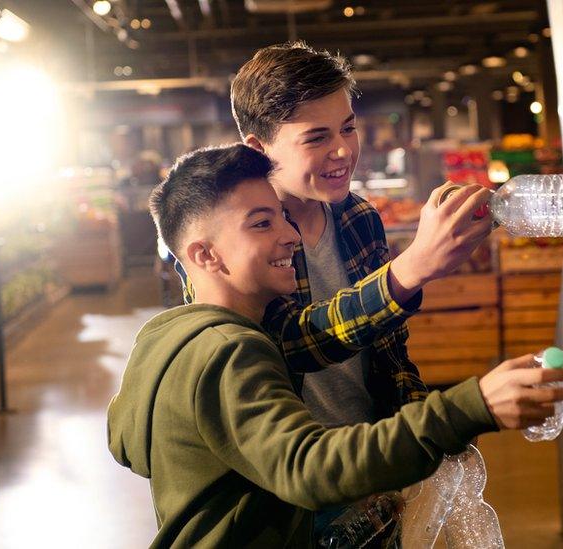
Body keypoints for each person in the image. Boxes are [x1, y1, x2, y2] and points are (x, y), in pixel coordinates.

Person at [108, 144, 563, 548]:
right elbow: (307, 468)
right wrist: (471, 406)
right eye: (261, 224)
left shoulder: (162, 336)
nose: (289, 236)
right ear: (204, 255)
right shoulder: (229, 351)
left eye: (281, 218)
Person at [175, 41, 496, 539]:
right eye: (316, 137)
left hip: (375, 469)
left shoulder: (359, 217)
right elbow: (290, 344)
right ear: (259, 149)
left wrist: (426, 439)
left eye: (348, 127)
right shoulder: (236, 246)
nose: (343, 150)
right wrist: (412, 268)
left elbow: (389, 353)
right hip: (292, 494)